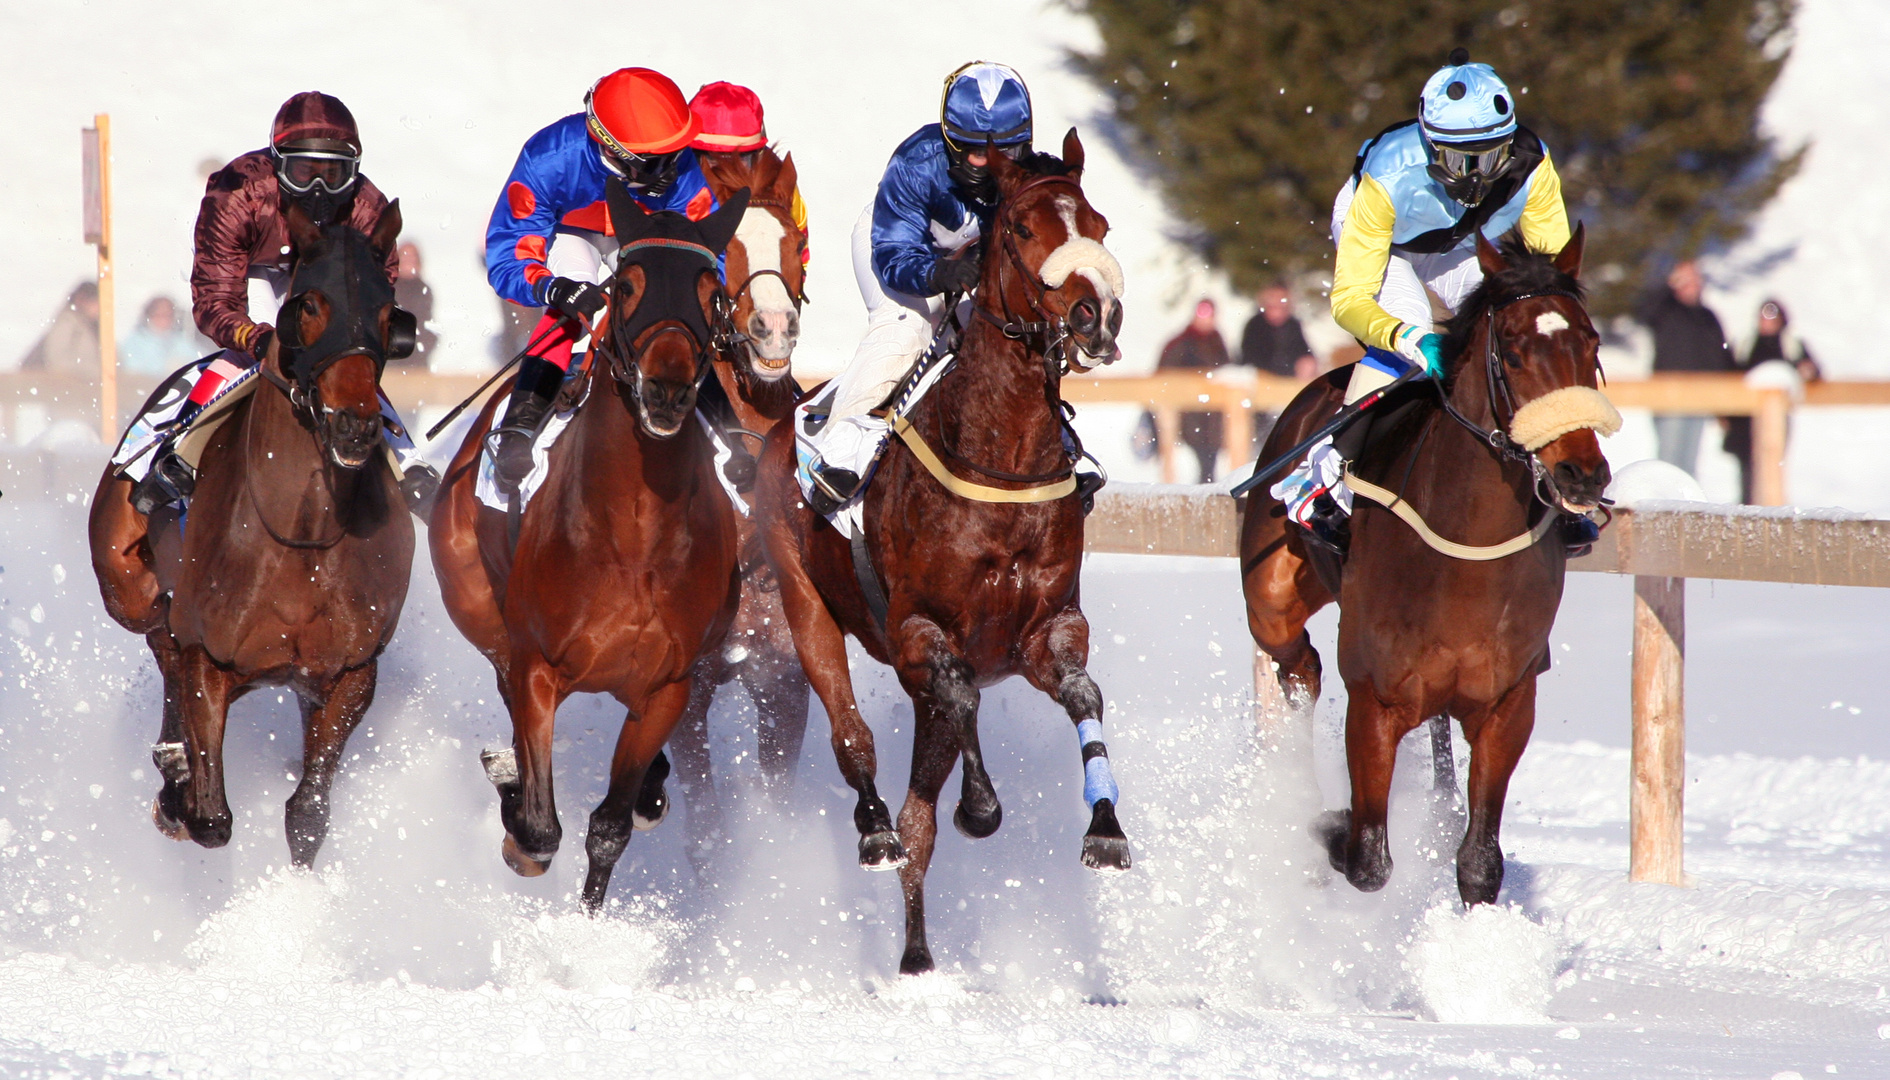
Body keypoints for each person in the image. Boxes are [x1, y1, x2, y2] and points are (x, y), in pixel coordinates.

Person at [1270, 49, 1572, 551]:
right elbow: (1351, 300)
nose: (1476, 176)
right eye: (1459, 159)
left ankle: (1555, 474)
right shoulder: (1389, 173)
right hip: (1385, 242)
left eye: (1491, 156)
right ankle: (1322, 475)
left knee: (1522, 326)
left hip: (1456, 243)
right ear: (1431, 147)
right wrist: (1410, 337)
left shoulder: (1534, 165)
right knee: (1410, 327)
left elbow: (1553, 279)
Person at [131, 91, 436, 515]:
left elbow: (372, 302)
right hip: (249, 271)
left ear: (354, 172)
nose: (318, 190)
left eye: (333, 175)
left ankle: (407, 462)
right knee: (256, 353)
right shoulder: (238, 193)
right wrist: (256, 340)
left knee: (349, 358)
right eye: (304, 171)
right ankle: (180, 452)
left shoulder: (367, 209)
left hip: (320, 279)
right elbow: (217, 298)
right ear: (277, 164)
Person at [802, 61, 1034, 511]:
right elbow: (893, 254)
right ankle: (838, 450)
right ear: (949, 142)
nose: (990, 166)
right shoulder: (916, 163)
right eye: (974, 152)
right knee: (908, 328)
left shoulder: (1026, 172)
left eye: (1004, 151)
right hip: (893, 246)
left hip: (963, 259)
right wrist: (940, 274)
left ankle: (1058, 443)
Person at [483, 66, 722, 494]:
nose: (673, 170)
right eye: (656, 163)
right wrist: (550, 287)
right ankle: (521, 422)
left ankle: (730, 428)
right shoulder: (548, 159)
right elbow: (509, 251)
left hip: (647, 235)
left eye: (676, 155)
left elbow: (710, 249)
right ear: (614, 152)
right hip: (573, 235)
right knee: (579, 293)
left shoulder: (679, 166)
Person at [687, 80, 810, 261]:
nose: (727, 169)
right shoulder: (672, 179)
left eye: (739, 158)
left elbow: (798, 251)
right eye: (712, 157)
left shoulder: (778, 182)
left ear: (758, 153)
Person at [1637, 259, 1732, 479]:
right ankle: (1663, 507)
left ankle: (1685, 507)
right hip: (1669, 396)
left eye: (1695, 279)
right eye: (1686, 280)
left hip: (1699, 398)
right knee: (1669, 461)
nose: (1693, 285)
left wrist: (1724, 402)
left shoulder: (1708, 317)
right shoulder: (1666, 309)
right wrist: (1667, 286)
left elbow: (1721, 357)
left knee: (1689, 465)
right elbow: (1643, 311)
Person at [1723, 298, 1819, 503]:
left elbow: (1814, 371)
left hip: (1778, 418)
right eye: (1763, 316)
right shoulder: (1745, 344)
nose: (1766, 321)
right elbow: (1727, 373)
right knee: (1748, 469)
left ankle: (1771, 511)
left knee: (1773, 463)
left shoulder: (1791, 345)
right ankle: (1748, 511)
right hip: (1745, 419)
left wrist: (1807, 372)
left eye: (1772, 316)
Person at [1158, 299, 1232, 482]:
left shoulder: (1217, 342)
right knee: (1193, 459)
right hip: (1189, 417)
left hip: (1213, 419)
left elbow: (1228, 370)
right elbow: (1164, 374)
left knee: (1209, 464)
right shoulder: (1181, 342)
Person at [1237, 282, 1318, 447]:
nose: (1278, 307)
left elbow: (1304, 352)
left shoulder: (1293, 325)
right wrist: (1288, 369)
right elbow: (1251, 361)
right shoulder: (1255, 326)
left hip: (1288, 394)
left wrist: (1306, 363)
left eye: (1283, 302)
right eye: (1274, 302)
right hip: (1260, 396)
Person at [18, 282, 99, 372]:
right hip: (49, 383)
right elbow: (57, 363)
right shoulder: (67, 323)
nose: (98, 308)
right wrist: (94, 372)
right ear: (80, 299)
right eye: (96, 303)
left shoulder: (90, 327)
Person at [118, 296, 203, 376]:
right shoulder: (135, 341)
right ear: (149, 316)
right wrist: (164, 370)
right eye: (159, 315)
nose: (164, 320)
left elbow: (200, 360)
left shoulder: (180, 340)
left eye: (168, 315)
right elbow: (133, 370)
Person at [392, 242, 437, 365]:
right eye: (405, 258)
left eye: (412, 258)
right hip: (392, 356)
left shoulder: (423, 289)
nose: (409, 262)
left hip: (418, 354)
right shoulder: (388, 289)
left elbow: (425, 322)